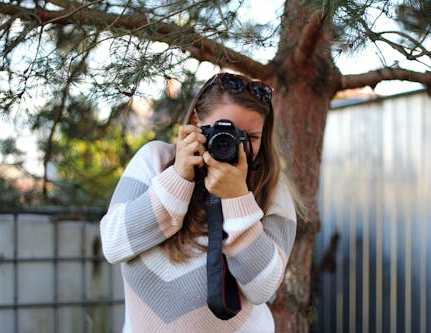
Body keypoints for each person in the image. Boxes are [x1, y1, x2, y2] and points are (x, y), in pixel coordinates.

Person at [100, 72, 305, 333]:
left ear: (263, 136)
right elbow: (113, 243)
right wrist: (178, 178)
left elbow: (262, 288)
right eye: (224, 131)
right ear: (197, 120)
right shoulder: (154, 160)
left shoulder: (271, 187)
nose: (236, 146)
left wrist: (237, 198)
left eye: (249, 137)